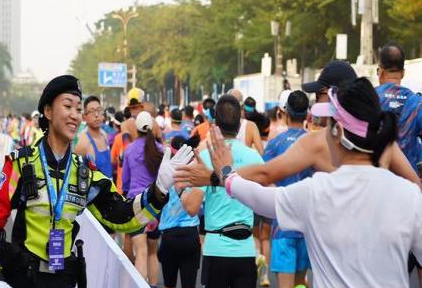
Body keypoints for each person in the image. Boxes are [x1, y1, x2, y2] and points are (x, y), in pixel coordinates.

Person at [0, 75, 192, 288]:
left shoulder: (85, 173)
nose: (75, 115)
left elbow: (124, 216)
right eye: (68, 106)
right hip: (21, 286)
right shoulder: (21, 163)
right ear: (48, 112)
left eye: (79, 108)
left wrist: (159, 191)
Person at [207, 77, 420, 288]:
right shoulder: (409, 195)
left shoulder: (317, 192)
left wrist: (227, 174)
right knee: (302, 287)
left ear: (338, 132)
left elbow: (261, 196)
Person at [174, 61, 420, 190]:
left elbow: (266, 174)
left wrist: (216, 177)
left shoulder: (317, 141)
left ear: (333, 95)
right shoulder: (381, 136)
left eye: (319, 95)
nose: (315, 102)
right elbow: (415, 186)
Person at [181, 94, 263, 288]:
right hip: (245, 248)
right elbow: (265, 197)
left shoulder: (206, 156)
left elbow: (192, 207)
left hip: (216, 248)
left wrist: (181, 191)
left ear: (214, 123)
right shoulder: (253, 156)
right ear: (240, 123)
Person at [263, 90, 312, 288]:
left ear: (284, 112)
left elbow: (264, 176)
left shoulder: (275, 143)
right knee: (302, 285)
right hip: (308, 224)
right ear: (307, 114)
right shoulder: (315, 142)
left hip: (282, 223)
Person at [158, 135, 203, 288]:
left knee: (169, 287)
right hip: (190, 234)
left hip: (169, 235)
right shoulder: (194, 173)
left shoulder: (166, 171)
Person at [123, 111, 163, 288]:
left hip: (136, 205)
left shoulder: (129, 150)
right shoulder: (160, 149)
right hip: (155, 206)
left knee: (140, 251)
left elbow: (125, 181)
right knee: (153, 251)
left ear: (136, 128)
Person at [376, 43, 421, 174]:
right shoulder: (416, 103)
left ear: (379, 71)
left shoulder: (369, 98)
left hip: (376, 178)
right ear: (403, 73)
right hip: (408, 180)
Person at [74, 96, 112, 178]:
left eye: (98, 110)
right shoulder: (83, 142)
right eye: (91, 111)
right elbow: (75, 172)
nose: (96, 115)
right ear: (85, 117)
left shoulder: (104, 135)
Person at [227, 89, 264, 155]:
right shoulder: (251, 126)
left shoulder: (217, 125)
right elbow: (261, 153)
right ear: (242, 106)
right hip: (246, 161)